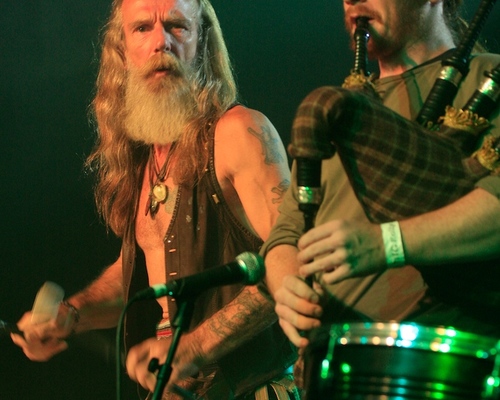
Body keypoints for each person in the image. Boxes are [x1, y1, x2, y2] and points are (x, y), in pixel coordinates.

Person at [11, 0, 299, 398]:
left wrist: (193, 347)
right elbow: (142, 272)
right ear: (122, 49)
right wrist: (72, 314)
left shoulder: (239, 132)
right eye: (143, 28)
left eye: (177, 26)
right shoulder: (145, 159)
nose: (161, 41)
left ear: (202, 40)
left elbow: (294, 266)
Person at [262, 0, 500, 391]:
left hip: (438, 371)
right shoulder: (340, 107)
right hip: (332, 372)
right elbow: (286, 234)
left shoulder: (485, 76)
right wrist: (286, 288)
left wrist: (386, 243)